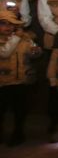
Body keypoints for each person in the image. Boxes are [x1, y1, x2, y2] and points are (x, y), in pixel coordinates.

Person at [0, 9, 41, 146]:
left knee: (20, 108)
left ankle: (18, 132)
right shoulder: (13, 38)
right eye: (4, 23)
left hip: (21, 80)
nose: (8, 27)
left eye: (11, 24)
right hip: (3, 82)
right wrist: (16, 38)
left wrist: (35, 51)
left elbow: (32, 52)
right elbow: (4, 53)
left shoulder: (24, 37)